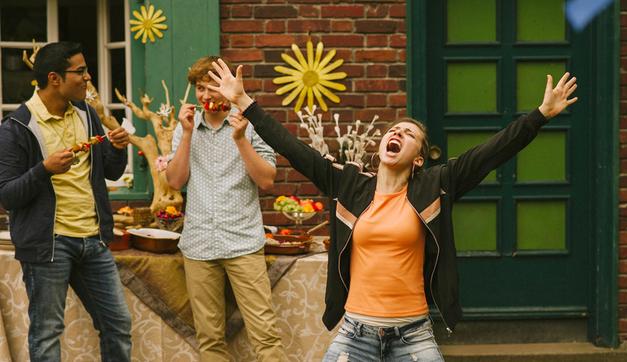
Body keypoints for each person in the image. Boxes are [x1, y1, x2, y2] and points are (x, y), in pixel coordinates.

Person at [208, 58, 578, 361]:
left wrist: (540, 114)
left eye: (409, 134)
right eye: (393, 130)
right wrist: (244, 102)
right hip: (355, 333)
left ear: (418, 159)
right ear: (383, 143)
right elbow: (292, 147)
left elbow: (492, 152)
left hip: (413, 335)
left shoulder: (436, 185)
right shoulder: (349, 185)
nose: (397, 134)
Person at [0, 41, 132, 361]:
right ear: (55, 78)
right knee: (47, 333)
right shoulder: (16, 127)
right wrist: (44, 170)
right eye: (81, 71)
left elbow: (112, 173)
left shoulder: (87, 113)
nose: (88, 78)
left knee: (118, 324)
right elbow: (7, 195)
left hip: (93, 239)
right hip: (49, 245)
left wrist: (118, 147)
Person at [165, 56, 287, 362]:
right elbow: (176, 180)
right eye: (200, 89)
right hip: (199, 243)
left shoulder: (250, 122)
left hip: (242, 241)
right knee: (209, 338)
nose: (206, 96)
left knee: (265, 334)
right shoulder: (186, 127)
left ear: (229, 88)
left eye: (213, 88)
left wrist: (240, 139)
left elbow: (267, 180)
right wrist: (187, 134)